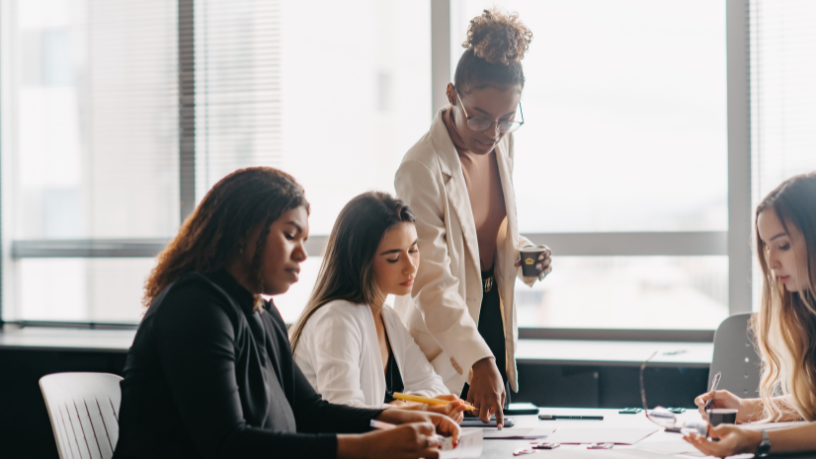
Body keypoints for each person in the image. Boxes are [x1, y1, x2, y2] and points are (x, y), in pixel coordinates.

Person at [113, 168, 459, 459]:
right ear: (244, 232)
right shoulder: (195, 307)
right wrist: (369, 446)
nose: (302, 255)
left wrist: (402, 415)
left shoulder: (260, 312)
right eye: (291, 236)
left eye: (305, 240)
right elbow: (227, 444)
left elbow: (311, 412)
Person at [394, 8, 551, 426]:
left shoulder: (501, 145)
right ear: (451, 94)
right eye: (479, 116)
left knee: (495, 441)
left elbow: (484, 234)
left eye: (505, 120)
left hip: (490, 315)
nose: (491, 132)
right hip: (445, 331)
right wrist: (477, 358)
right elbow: (429, 282)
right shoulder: (420, 168)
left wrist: (521, 252)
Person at [290, 192, 467, 422]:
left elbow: (435, 387)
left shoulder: (388, 318)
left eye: (413, 250)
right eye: (394, 258)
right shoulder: (337, 319)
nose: (410, 267)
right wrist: (410, 409)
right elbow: (345, 415)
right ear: (360, 260)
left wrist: (401, 405)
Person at [685, 172, 816, 457]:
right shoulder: (809, 312)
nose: (770, 262)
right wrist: (746, 408)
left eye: (782, 245)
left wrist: (755, 439)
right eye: (767, 247)